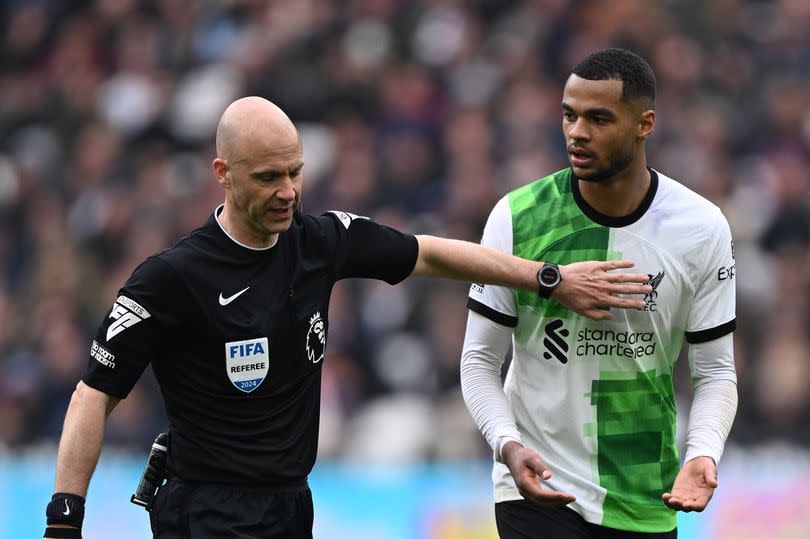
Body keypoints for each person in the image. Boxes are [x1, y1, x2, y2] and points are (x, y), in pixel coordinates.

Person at [43, 96, 652, 539]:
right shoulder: (171, 278)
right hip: (204, 512)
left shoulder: (321, 242)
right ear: (223, 175)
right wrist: (64, 517)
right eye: (267, 177)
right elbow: (93, 395)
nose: (287, 191)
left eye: (294, 173)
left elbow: (432, 252)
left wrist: (548, 279)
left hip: (289, 508)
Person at [461, 48, 738, 538]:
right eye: (569, 115)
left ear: (644, 123)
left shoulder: (700, 228)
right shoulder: (517, 217)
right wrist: (506, 444)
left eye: (598, 118)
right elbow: (479, 360)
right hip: (538, 486)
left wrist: (702, 452)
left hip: (645, 494)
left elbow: (714, 370)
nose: (577, 132)